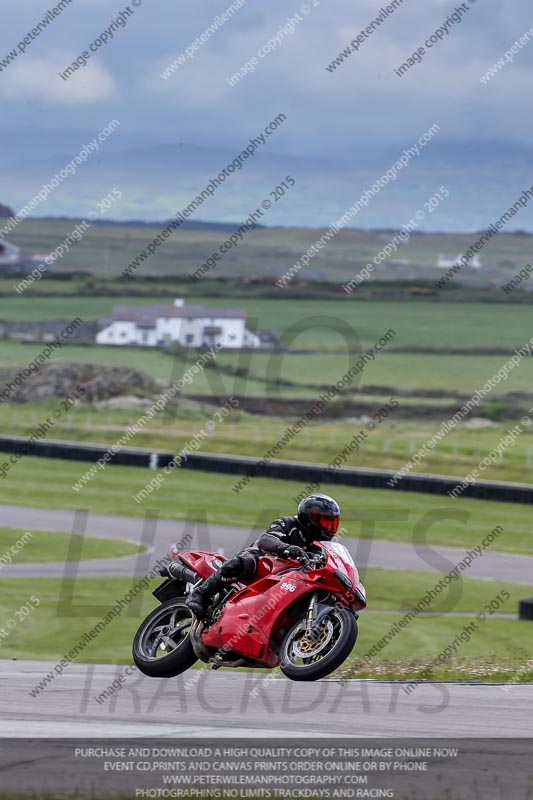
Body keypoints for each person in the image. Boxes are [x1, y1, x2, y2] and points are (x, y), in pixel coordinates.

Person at [164, 493, 341, 619]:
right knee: (243, 563)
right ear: (310, 517)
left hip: (287, 580)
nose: (329, 528)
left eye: (333, 524)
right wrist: (288, 549)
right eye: (326, 522)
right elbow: (266, 541)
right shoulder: (288, 523)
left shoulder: (319, 548)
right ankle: (200, 594)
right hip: (263, 563)